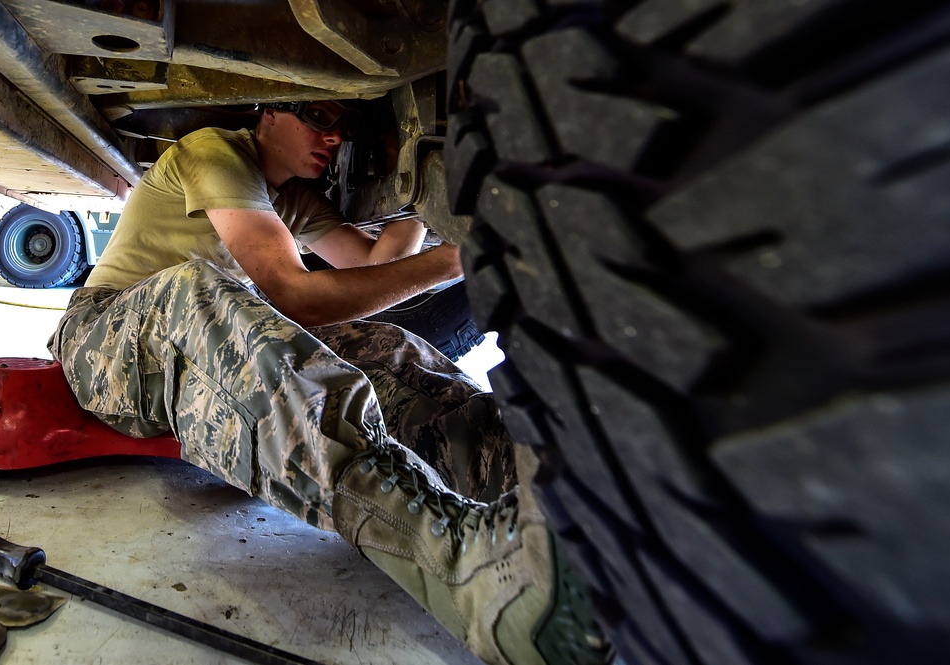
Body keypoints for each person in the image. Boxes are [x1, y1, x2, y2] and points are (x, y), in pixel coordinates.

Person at [48, 99, 613, 665]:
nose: (335, 137)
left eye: (343, 126)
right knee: (200, 290)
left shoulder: (292, 197)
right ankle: (463, 571)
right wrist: (458, 260)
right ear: (269, 114)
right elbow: (296, 294)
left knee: (384, 348)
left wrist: (418, 201)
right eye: (319, 118)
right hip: (106, 341)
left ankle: (563, 508)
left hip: (192, 342)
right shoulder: (213, 151)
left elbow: (368, 266)